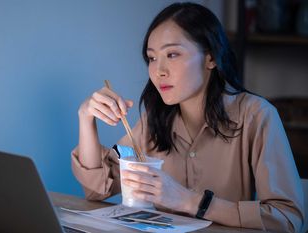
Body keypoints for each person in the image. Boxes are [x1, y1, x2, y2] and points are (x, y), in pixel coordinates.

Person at [71, 2, 304, 232]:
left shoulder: (256, 115)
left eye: (172, 54)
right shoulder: (154, 121)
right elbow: (97, 189)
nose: (159, 70)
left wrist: (191, 202)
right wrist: (85, 117)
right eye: (152, 58)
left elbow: (287, 219)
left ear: (210, 58)